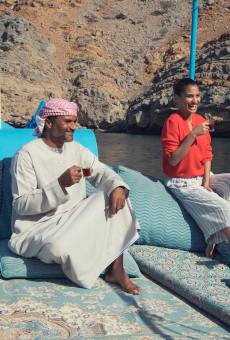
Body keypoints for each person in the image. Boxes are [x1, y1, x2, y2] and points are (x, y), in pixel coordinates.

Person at [8, 98, 140, 294]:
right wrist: (59, 185)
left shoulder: (77, 151)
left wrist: (118, 186)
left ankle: (117, 269)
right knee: (57, 248)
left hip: (73, 219)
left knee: (114, 192)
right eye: (67, 121)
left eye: (74, 121)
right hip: (38, 227)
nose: (73, 127)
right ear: (49, 123)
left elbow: (101, 172)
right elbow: (21, 204)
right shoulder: (26, 155)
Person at [161, 77, 230, 267]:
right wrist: (193, 134)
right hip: (182, 182)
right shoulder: (172, 122)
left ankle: (218, 236)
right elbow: (173, 159)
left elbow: (207, 154)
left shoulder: (201, 120)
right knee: (226, 207)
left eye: (197, 96)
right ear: (177, 98)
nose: (195, 101)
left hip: (201, 178)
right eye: (189, 96)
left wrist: (206, 182)